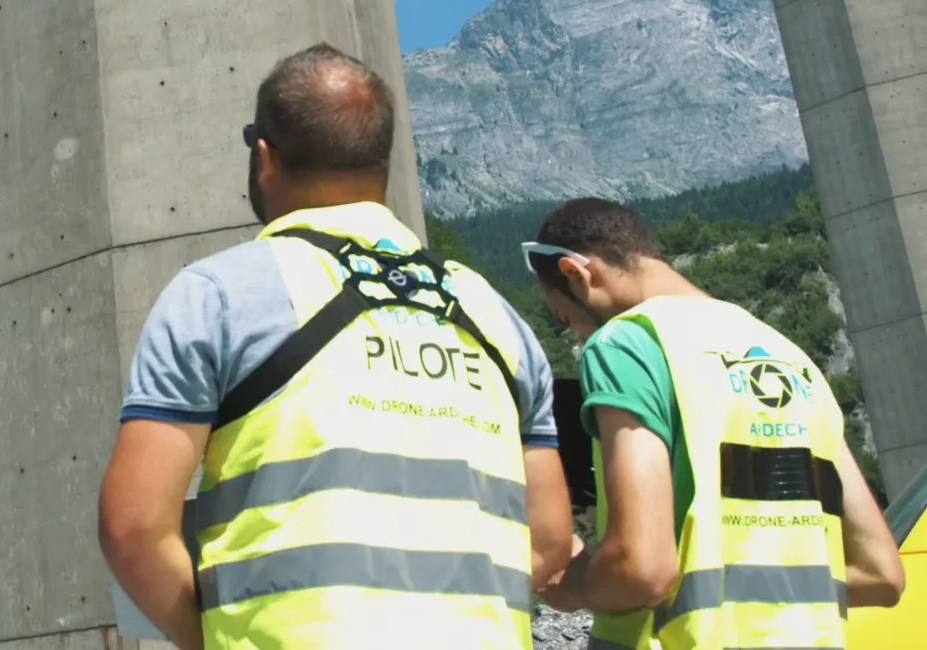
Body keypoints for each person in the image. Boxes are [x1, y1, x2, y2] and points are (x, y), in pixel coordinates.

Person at [96, 43, 575, 650]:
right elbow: (551, 538)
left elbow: (134, 526)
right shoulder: (495, 314)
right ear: (383, 162)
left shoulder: (217, 296)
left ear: (263, 157)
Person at [525, 197, 905, 647]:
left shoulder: (631, 341)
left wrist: (573, 582)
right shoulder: (788, 356)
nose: (580, 335)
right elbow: (882, 572)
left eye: (567, 320)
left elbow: (642, 569)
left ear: (578, 274)